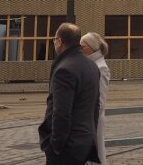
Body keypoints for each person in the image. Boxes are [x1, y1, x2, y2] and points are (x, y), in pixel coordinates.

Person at [39, 23, 100, 165]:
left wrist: (56, 146)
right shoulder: (92, 66)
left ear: (59, 41)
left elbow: (61, 113)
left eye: (54, 39)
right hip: (84, 143)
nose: (54, 42)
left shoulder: (64, 69)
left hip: (67, 147)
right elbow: (95, 107)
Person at [81, 32, 110, 165]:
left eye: (83, 46)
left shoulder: (101, 67)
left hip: (94, 118)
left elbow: (101, 99)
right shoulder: (90, 63)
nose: (80, 48)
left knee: (97, 153)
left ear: (91, 47)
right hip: (88, 118)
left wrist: (91, 119)